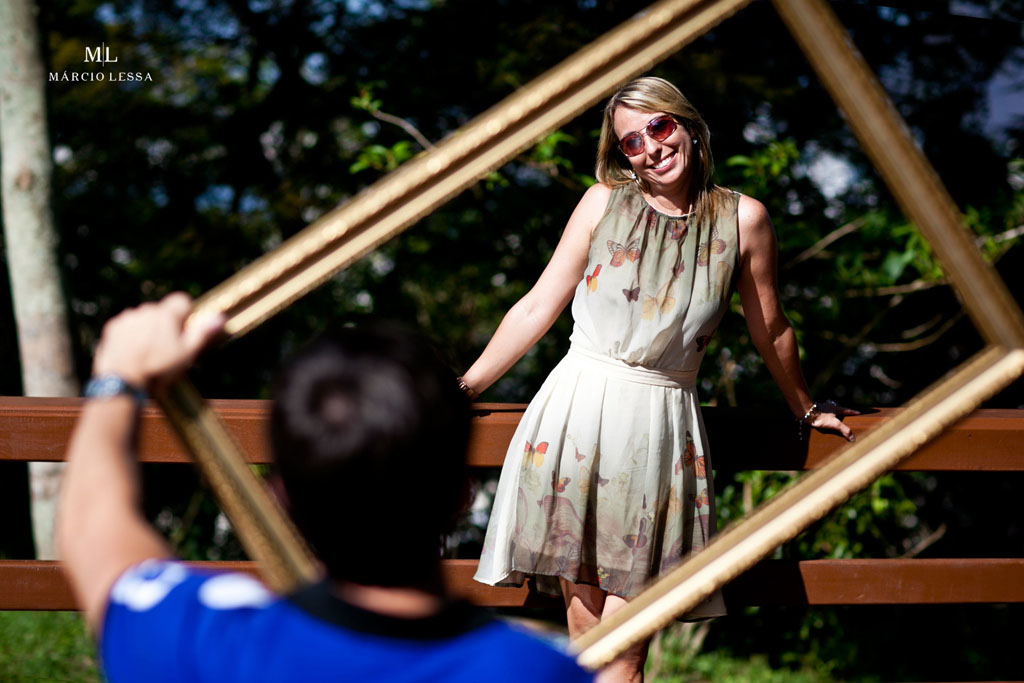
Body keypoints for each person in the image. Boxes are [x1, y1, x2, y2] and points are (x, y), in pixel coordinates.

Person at [461, 76, 857, 682]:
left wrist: (803, 408)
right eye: (630, 142)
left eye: (659, 126)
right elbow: (537, 306)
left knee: (626, 645)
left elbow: (771, 329)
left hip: (661, 431)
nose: (649, 146)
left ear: (688, 125)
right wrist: (463, 390)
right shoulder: (602, 203)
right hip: (575, 418)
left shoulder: (743, 220)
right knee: (587, 632)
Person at [57, 293, 594, 682]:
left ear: (281, 495)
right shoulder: (536, 671)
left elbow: (90, 530)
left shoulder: (199, 640)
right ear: (463, 492)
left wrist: (118, 377)